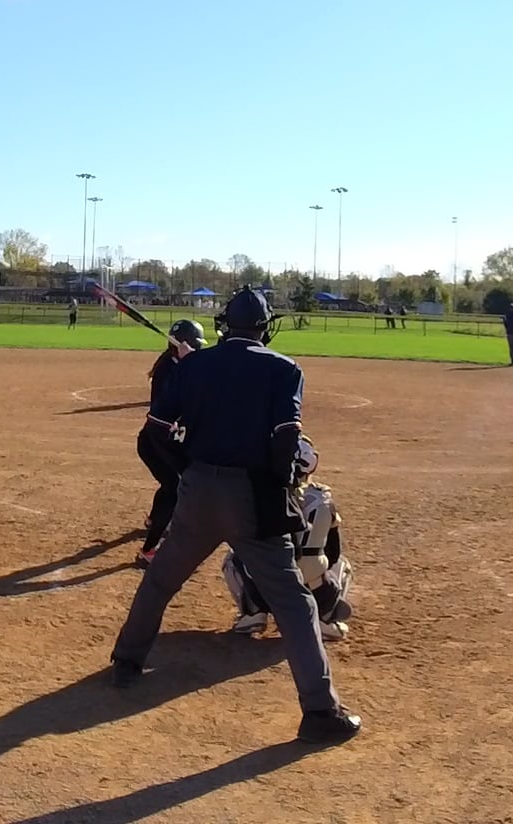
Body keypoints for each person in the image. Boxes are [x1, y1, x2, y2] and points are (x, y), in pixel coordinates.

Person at [107, 287, 361, 744]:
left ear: (225, 324)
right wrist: (282, 482)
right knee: (294, 603)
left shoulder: (194, 365)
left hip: (197, 491)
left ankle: (126, 661)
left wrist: (187, 468)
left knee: (161, 580)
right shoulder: (284, 368)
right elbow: (286, 437)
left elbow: (158, 429)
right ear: (265, 327)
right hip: (254, 496)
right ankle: (320, 711)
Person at [222, 435, 354, 642]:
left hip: (268, 589)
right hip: (317, 588)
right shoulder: (324, 498)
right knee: (341, 564)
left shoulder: (262, 495)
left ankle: (253, 612)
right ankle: (325, 617)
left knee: (233, 559)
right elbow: (334, 552)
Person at [135, 319, 205, 565]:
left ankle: (155, 520)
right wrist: (188, 363)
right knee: (175, 487)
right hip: (157, 440)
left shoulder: (176, 363)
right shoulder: (169, 369)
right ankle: (149, 550)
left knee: (170, 484)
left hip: (158, 438)